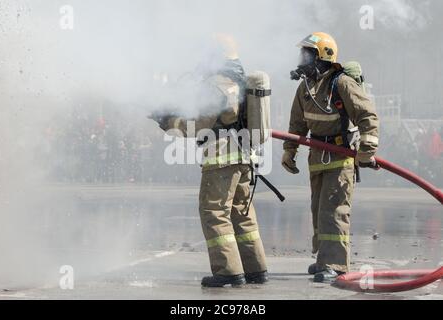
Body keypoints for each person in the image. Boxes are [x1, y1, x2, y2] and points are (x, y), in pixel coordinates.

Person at [152, 34, 268, 287]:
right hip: (244, 156)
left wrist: (168, 122)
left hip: (221, 157)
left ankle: (227, 272)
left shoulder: (215, 84)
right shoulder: (239, 80)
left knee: (214, 212)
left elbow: (198, 125)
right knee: (242, 213)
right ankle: (255, 269)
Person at [282, 32, 380, 282]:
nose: (302, 59)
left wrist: (366, 152)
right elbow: (297, 124)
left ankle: (335, 264)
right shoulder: (305, 87)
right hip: (317, 159)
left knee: (334, 211)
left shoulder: (342, 83)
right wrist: (289, 151)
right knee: (318, 211)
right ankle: (323, 259)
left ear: (323, 55)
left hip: (340, 157)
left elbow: (368, 116)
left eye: (307, 54)